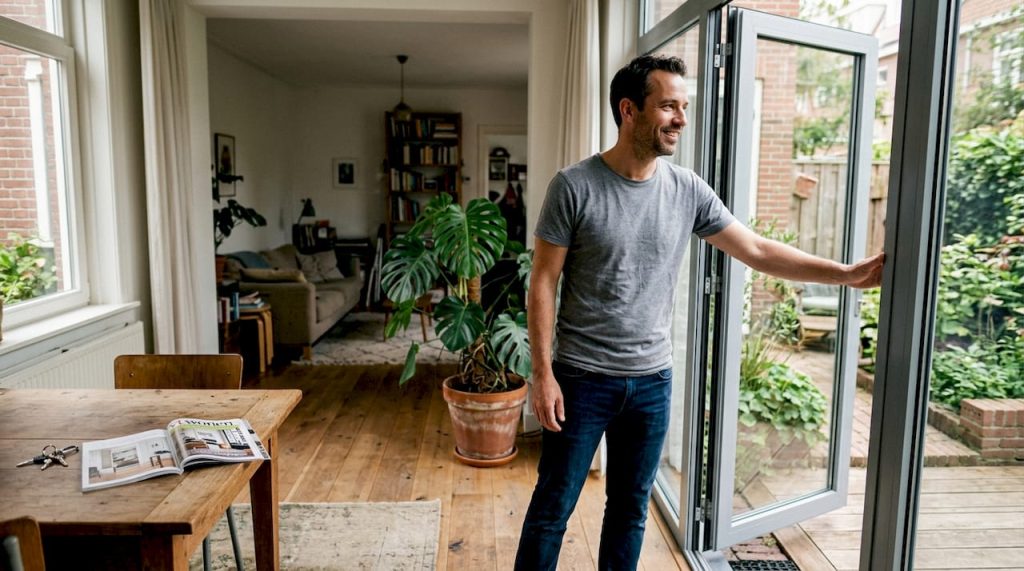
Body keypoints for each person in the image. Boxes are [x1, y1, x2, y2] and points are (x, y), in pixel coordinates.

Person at [514, 54, 884, 571]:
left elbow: (755, 249)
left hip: (651, 383)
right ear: (629, 110)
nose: (681, 119)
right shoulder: (574, 186)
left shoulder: (687, 189)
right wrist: (543, 372)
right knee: (553, 509)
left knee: (629, 511)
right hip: (581, 380)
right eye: (668, 106)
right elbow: (543, 282)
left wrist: (845, 274)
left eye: (683, 107)